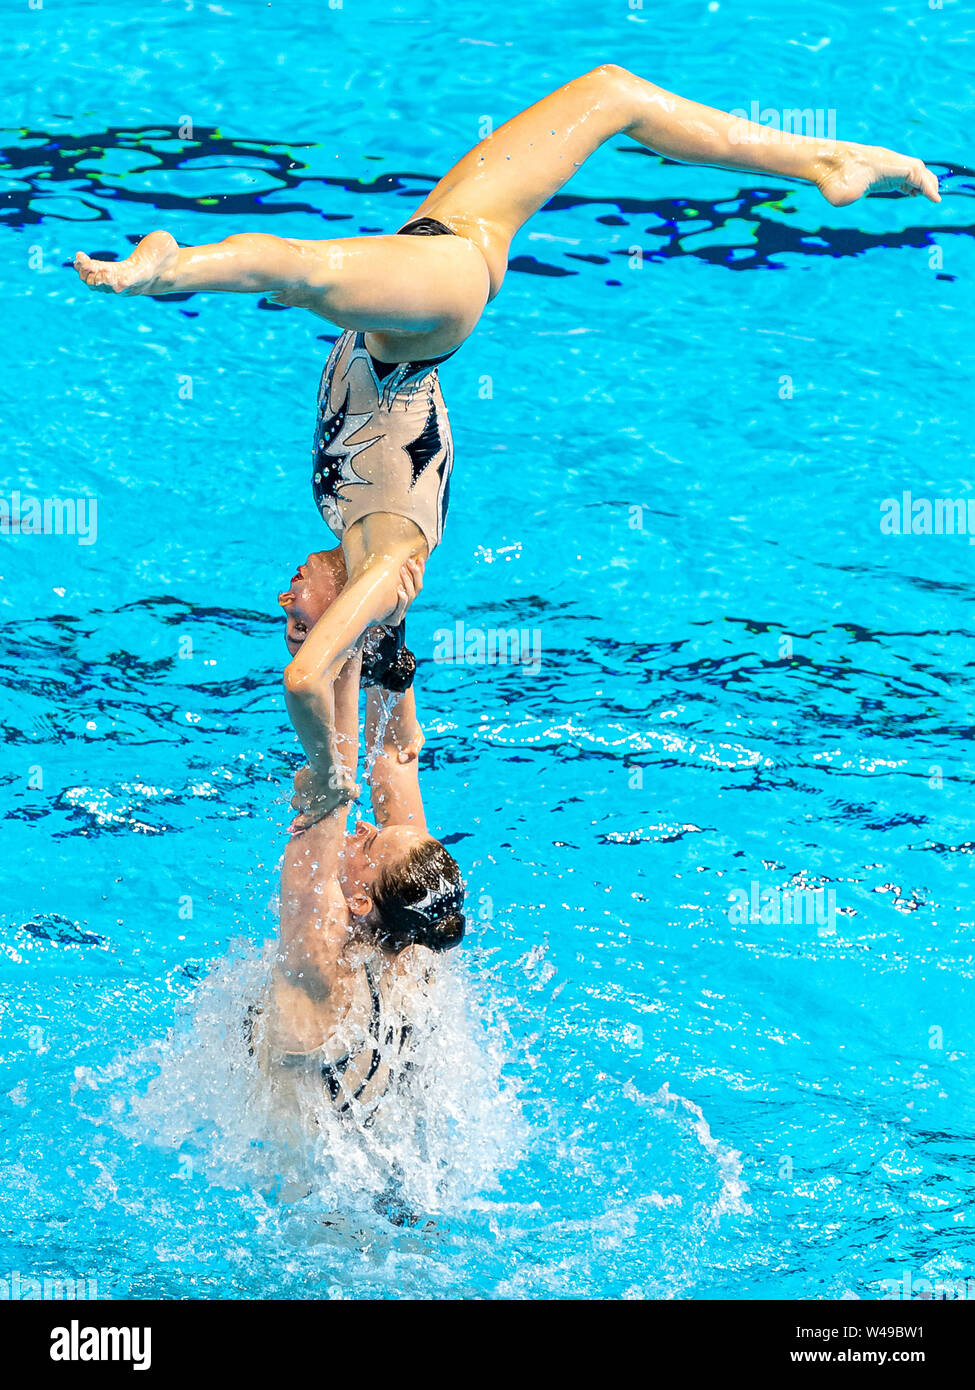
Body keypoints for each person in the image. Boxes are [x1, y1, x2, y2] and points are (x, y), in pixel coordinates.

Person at [73, 65, 942, 686]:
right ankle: (169, 268)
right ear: (364, 616)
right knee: (308, 270)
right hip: (427, 315)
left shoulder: (352, 527)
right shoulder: (391, 561)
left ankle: (830, 162)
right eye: (298, 611)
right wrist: (333, 772)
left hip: (422, 285)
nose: (286, 597)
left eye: (291, 611)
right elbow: (309, 678)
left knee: (609, 93)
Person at [248, 554, 465, 1116]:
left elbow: (334, 789)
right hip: (388, 1181)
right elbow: (396, 753)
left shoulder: (321, 964)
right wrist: (390, 635)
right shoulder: (414, 941)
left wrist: (337, 639)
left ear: (363, 897)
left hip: (308, 1201)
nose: (368, 827)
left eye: (369, 846)